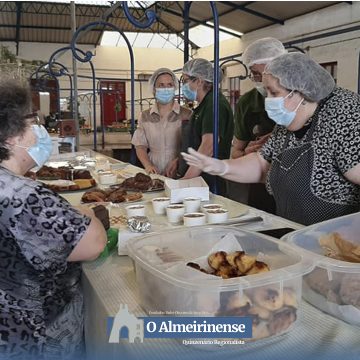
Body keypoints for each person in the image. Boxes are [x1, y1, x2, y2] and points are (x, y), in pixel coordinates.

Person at [181, 52, 360, 225]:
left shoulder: (344, 115)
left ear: (300, 92)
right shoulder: (288, 120)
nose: (268, 100)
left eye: (273, 93)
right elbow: (261, 164)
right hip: (295, 232)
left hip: (336, 242)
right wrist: (222, 167)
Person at [0, 77, 107, 358]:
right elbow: (93, 242)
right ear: (12, 136)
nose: (38, 130)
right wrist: (84, 212)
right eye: (31, 121)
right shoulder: (20, 195)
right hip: (32, 335)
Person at [229, 38, 287, 213]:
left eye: (257, 73)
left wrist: (278, 136)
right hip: (260, 185)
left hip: (294, 186)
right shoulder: (248, 103)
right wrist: (247, 153)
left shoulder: (302, 99)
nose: (256, 79)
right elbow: (235, 152)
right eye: (253, 74)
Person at [178, 58, 234, 196]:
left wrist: (187, 179)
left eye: (185, 81)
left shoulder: (214, 104)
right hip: (198, 179)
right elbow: (196, 142)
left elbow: (208, 147)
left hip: (207, 181)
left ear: (199, 81)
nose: (184, 86)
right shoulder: (204, 105)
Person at [132, 68, 192, 178]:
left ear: (174, 88)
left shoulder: (187, 114)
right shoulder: (145, 116)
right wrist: (148, 166)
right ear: (154, 89)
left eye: (169, 85)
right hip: (154, 172)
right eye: (161, 85)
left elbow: (192, 145)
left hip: (179, 170)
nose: (166, 89)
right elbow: (140, 146)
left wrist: (178, 161)